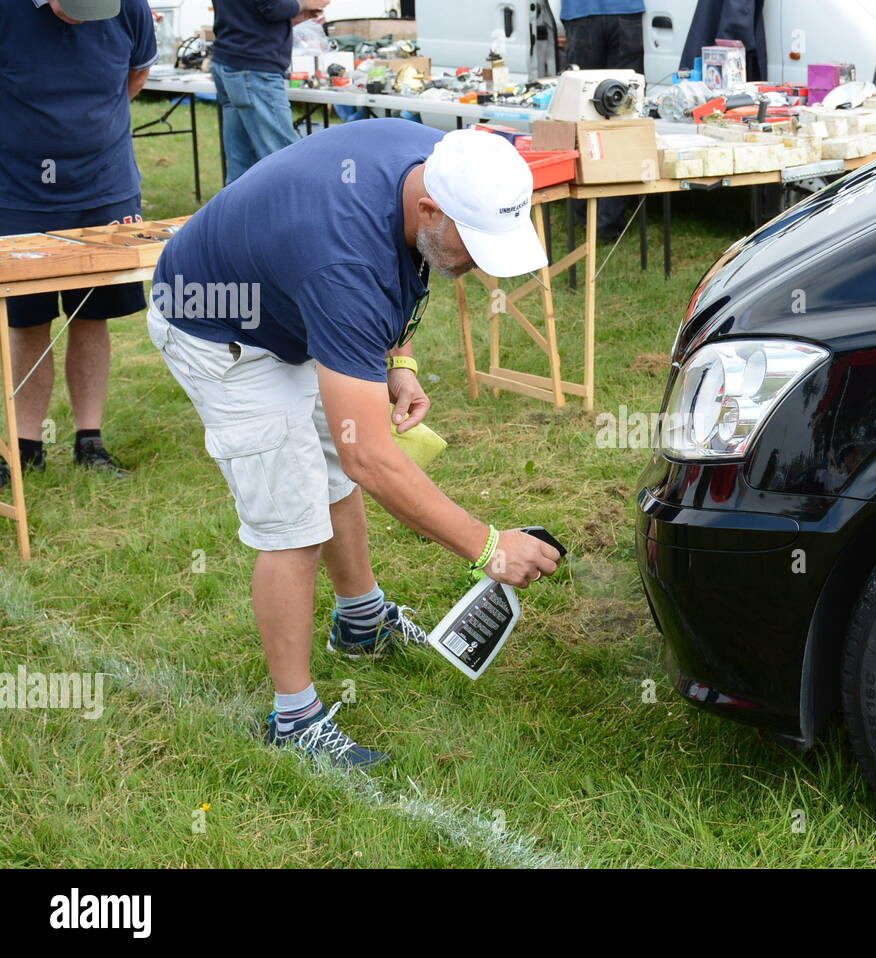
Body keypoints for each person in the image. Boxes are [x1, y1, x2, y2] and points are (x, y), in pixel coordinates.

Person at [149, 121, 563, 768]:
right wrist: (488, 548)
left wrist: (400, 358)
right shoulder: (342, 261)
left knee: (332, 468)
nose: (481, 266)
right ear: (430, 207)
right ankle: (295, 723)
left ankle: (361, 622)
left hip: (289, 303)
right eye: (474, 246)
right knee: (294, 523)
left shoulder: (438, 160)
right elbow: (370, 453)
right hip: (218, 328)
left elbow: (400, 269)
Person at [0, 0, 157, 490]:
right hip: (19, 192)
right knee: (28, 320)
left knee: (93, 315)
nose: (87, 16)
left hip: (105, 189)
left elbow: (137, 76)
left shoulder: (127, 6)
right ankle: (27, 447)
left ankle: (90, 441)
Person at [210, 0, 330, 183]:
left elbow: (252, 11)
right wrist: (305, 3)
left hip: (231, 59)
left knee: (243, 162)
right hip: (254, 66)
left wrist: (294, 12)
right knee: (284, 156)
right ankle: (295, 209)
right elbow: (272, 6)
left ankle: (238, 210)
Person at [560, 0, 645, 241]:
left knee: (582, 114)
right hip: (625, 12)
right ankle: (608, 223)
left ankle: (587, 213)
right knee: (623, 114)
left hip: (582, 12)